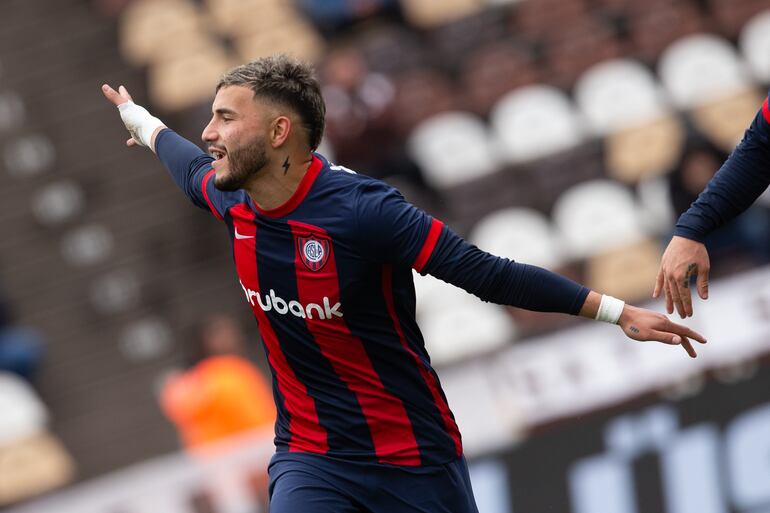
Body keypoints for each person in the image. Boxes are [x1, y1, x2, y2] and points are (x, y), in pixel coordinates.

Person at [102, 55, 705, 513]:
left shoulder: (365, 210)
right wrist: (140, 120)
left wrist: (615, 311)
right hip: (312, 456)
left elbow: (485, 273)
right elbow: (181, 163)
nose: (209, 133)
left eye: (226, 119)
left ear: (280, 132)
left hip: (413, 457)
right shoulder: (229, 198)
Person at [655, 90, 770, 318]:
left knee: (756, 225)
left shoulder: (721, 155)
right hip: (711, 230)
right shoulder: (672, 182)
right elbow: (759, 149)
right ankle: (697, 307)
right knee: (673, 244)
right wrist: (691, 230)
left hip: (737, 221)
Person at [159, 314, 275, 451]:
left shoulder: (205, 378)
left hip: (230, 462)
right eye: (223, 333)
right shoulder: (225, 373)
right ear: (208, 342)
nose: (234, 336)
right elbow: (259, 421)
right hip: (252, 458)